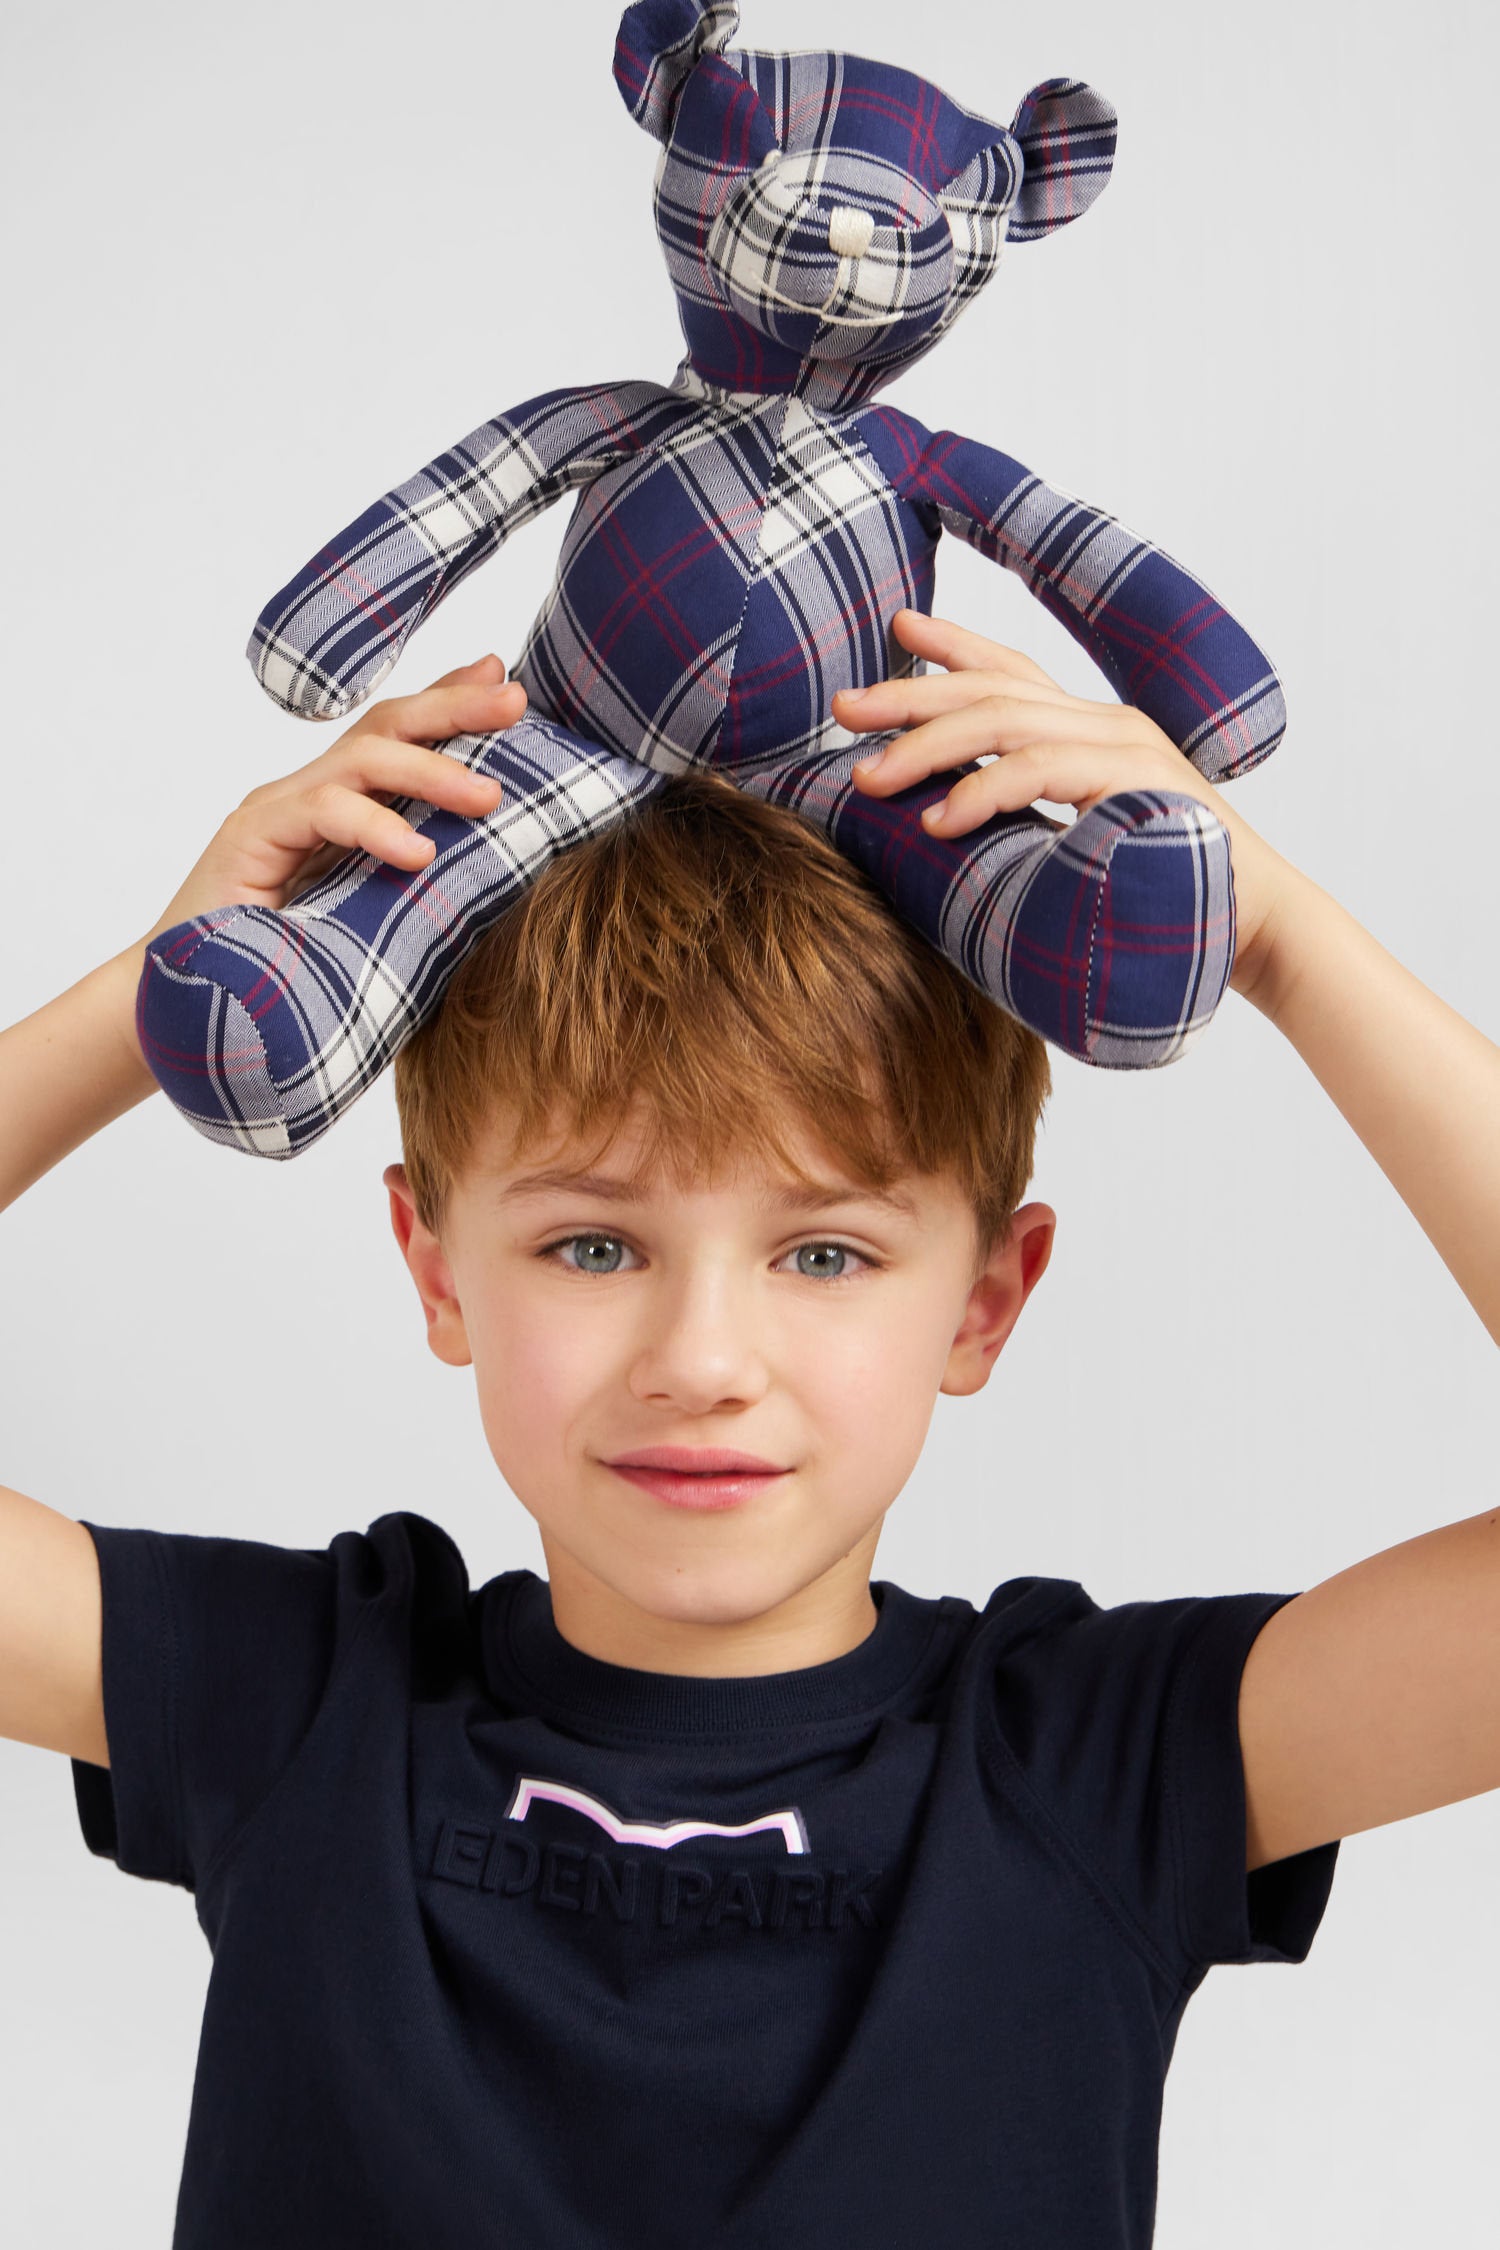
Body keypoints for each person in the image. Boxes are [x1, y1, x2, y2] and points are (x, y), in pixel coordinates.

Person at [1, 614, 1496, 2248]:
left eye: (824, 1253)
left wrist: (1272, 934)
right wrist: (172, 994)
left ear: (987, 1301)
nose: (703, 1359)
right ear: (435, 1270)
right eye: (593, 1244)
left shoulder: (1092, 1771)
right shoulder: (301, 1711)